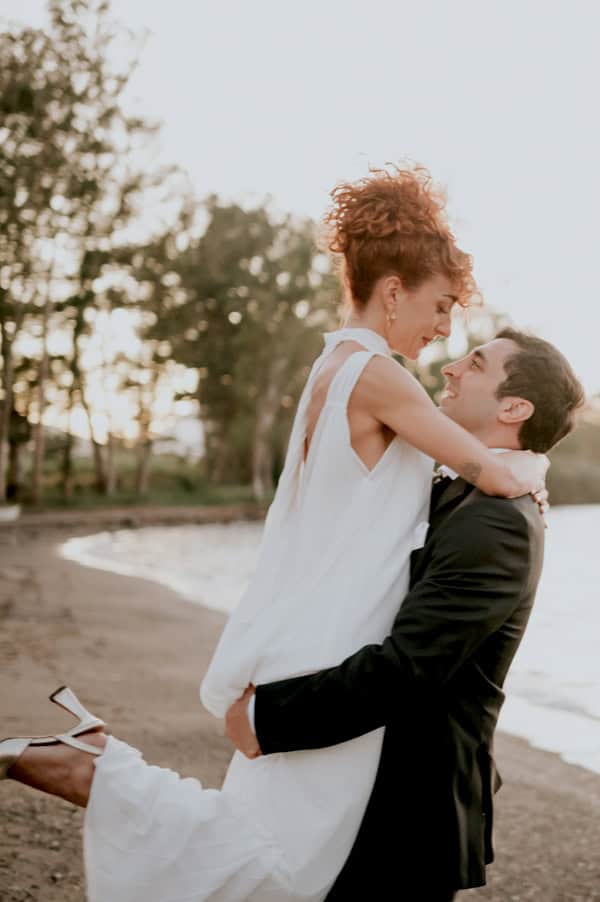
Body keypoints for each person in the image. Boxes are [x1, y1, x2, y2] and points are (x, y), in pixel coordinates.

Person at [1, 165, 547, 902]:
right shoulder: (383, 377)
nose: (446, 329)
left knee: (264, 846)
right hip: (339, 640)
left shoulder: (333, 367)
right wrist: (532, 478)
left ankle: (96, 766)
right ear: (393, 292)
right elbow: (490, 471)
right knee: (279, 868)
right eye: (441, 305)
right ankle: (97, 773)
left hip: (310, 632)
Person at [226, 327, 585, 900]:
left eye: (475, 364)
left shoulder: (496, 521)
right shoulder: (459, 489)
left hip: (412, 806)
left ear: (514, 408)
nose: (450, 368)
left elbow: (410, 668)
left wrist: (266, 719)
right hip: (367, 782)